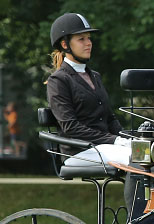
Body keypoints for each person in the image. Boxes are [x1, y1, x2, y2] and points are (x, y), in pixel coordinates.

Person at [45, 12, 129, 168]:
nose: (88, 43)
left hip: (105, 147)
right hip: (78, 150)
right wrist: (114, 140)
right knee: (136, 158)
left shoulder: (95, 76)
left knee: (149, 154)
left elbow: (110, 119)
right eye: (81, 39)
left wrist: (128, 138)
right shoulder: (58, 81)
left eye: (89, 38)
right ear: (65, 45)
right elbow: (71, 127)